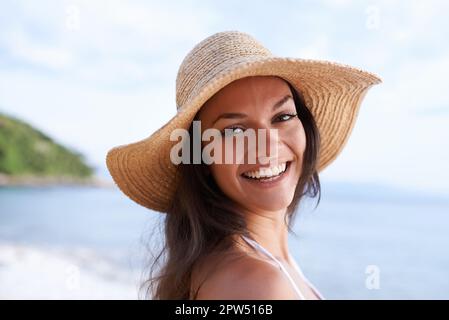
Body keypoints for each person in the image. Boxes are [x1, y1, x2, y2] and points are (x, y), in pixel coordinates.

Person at [106, 30, 381, 299]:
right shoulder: (256, 284)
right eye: (234, 131)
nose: (268, 145)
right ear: (200, 158)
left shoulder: (254, 265)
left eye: (283, 117)